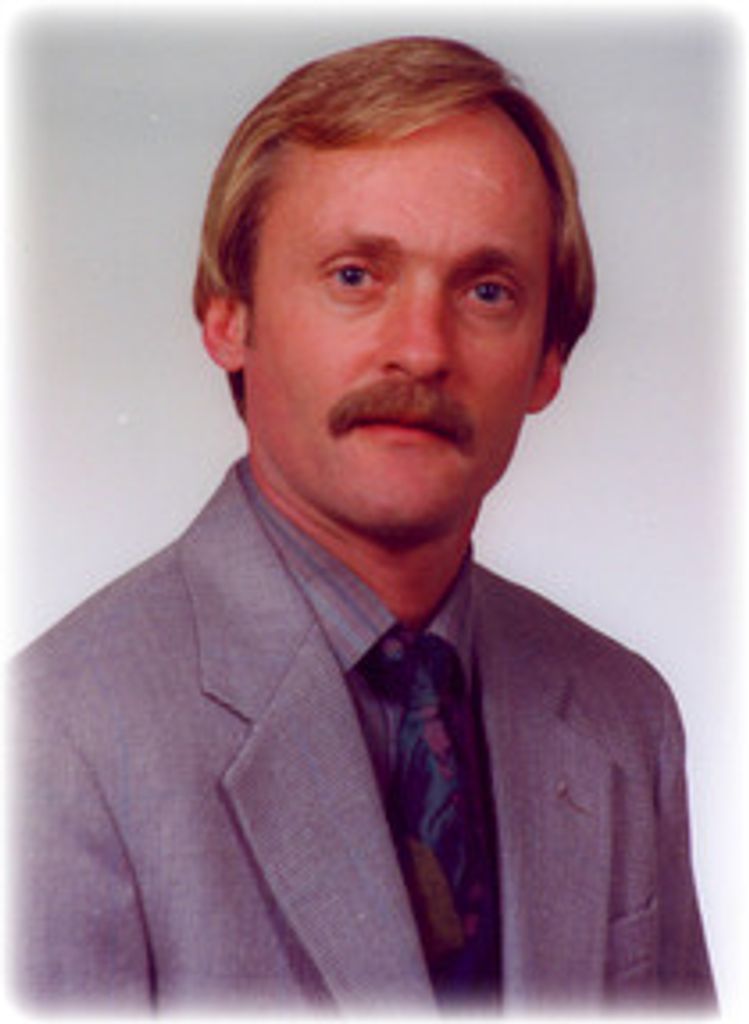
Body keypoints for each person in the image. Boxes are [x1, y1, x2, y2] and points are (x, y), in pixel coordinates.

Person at [14, 36, 715, 1012]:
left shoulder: (620, 714)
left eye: (486, 291)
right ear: (228, 318)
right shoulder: (54, 739)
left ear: (548, 361)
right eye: (354, 275)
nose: (421, 350)